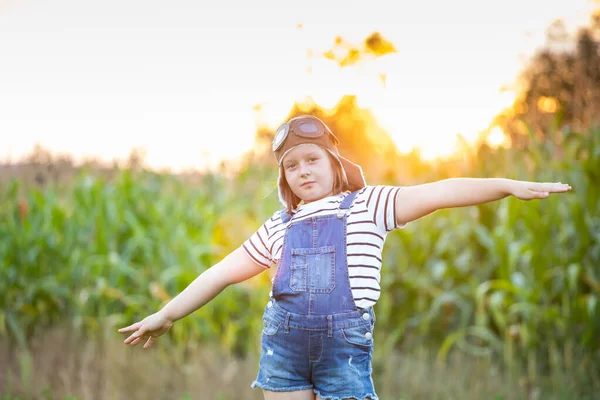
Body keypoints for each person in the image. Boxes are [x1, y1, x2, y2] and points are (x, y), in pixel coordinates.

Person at [118, 115, 571, 400]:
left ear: (335, 162)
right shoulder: (279, 226)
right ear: (283, 178)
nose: (302, 171)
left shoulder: (370, 205)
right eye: (291, 167)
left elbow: (441, 192)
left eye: (311, 159)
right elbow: (220, 273)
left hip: (344, 351)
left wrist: (507, 185)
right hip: (285, 348)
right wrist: (167, 313)